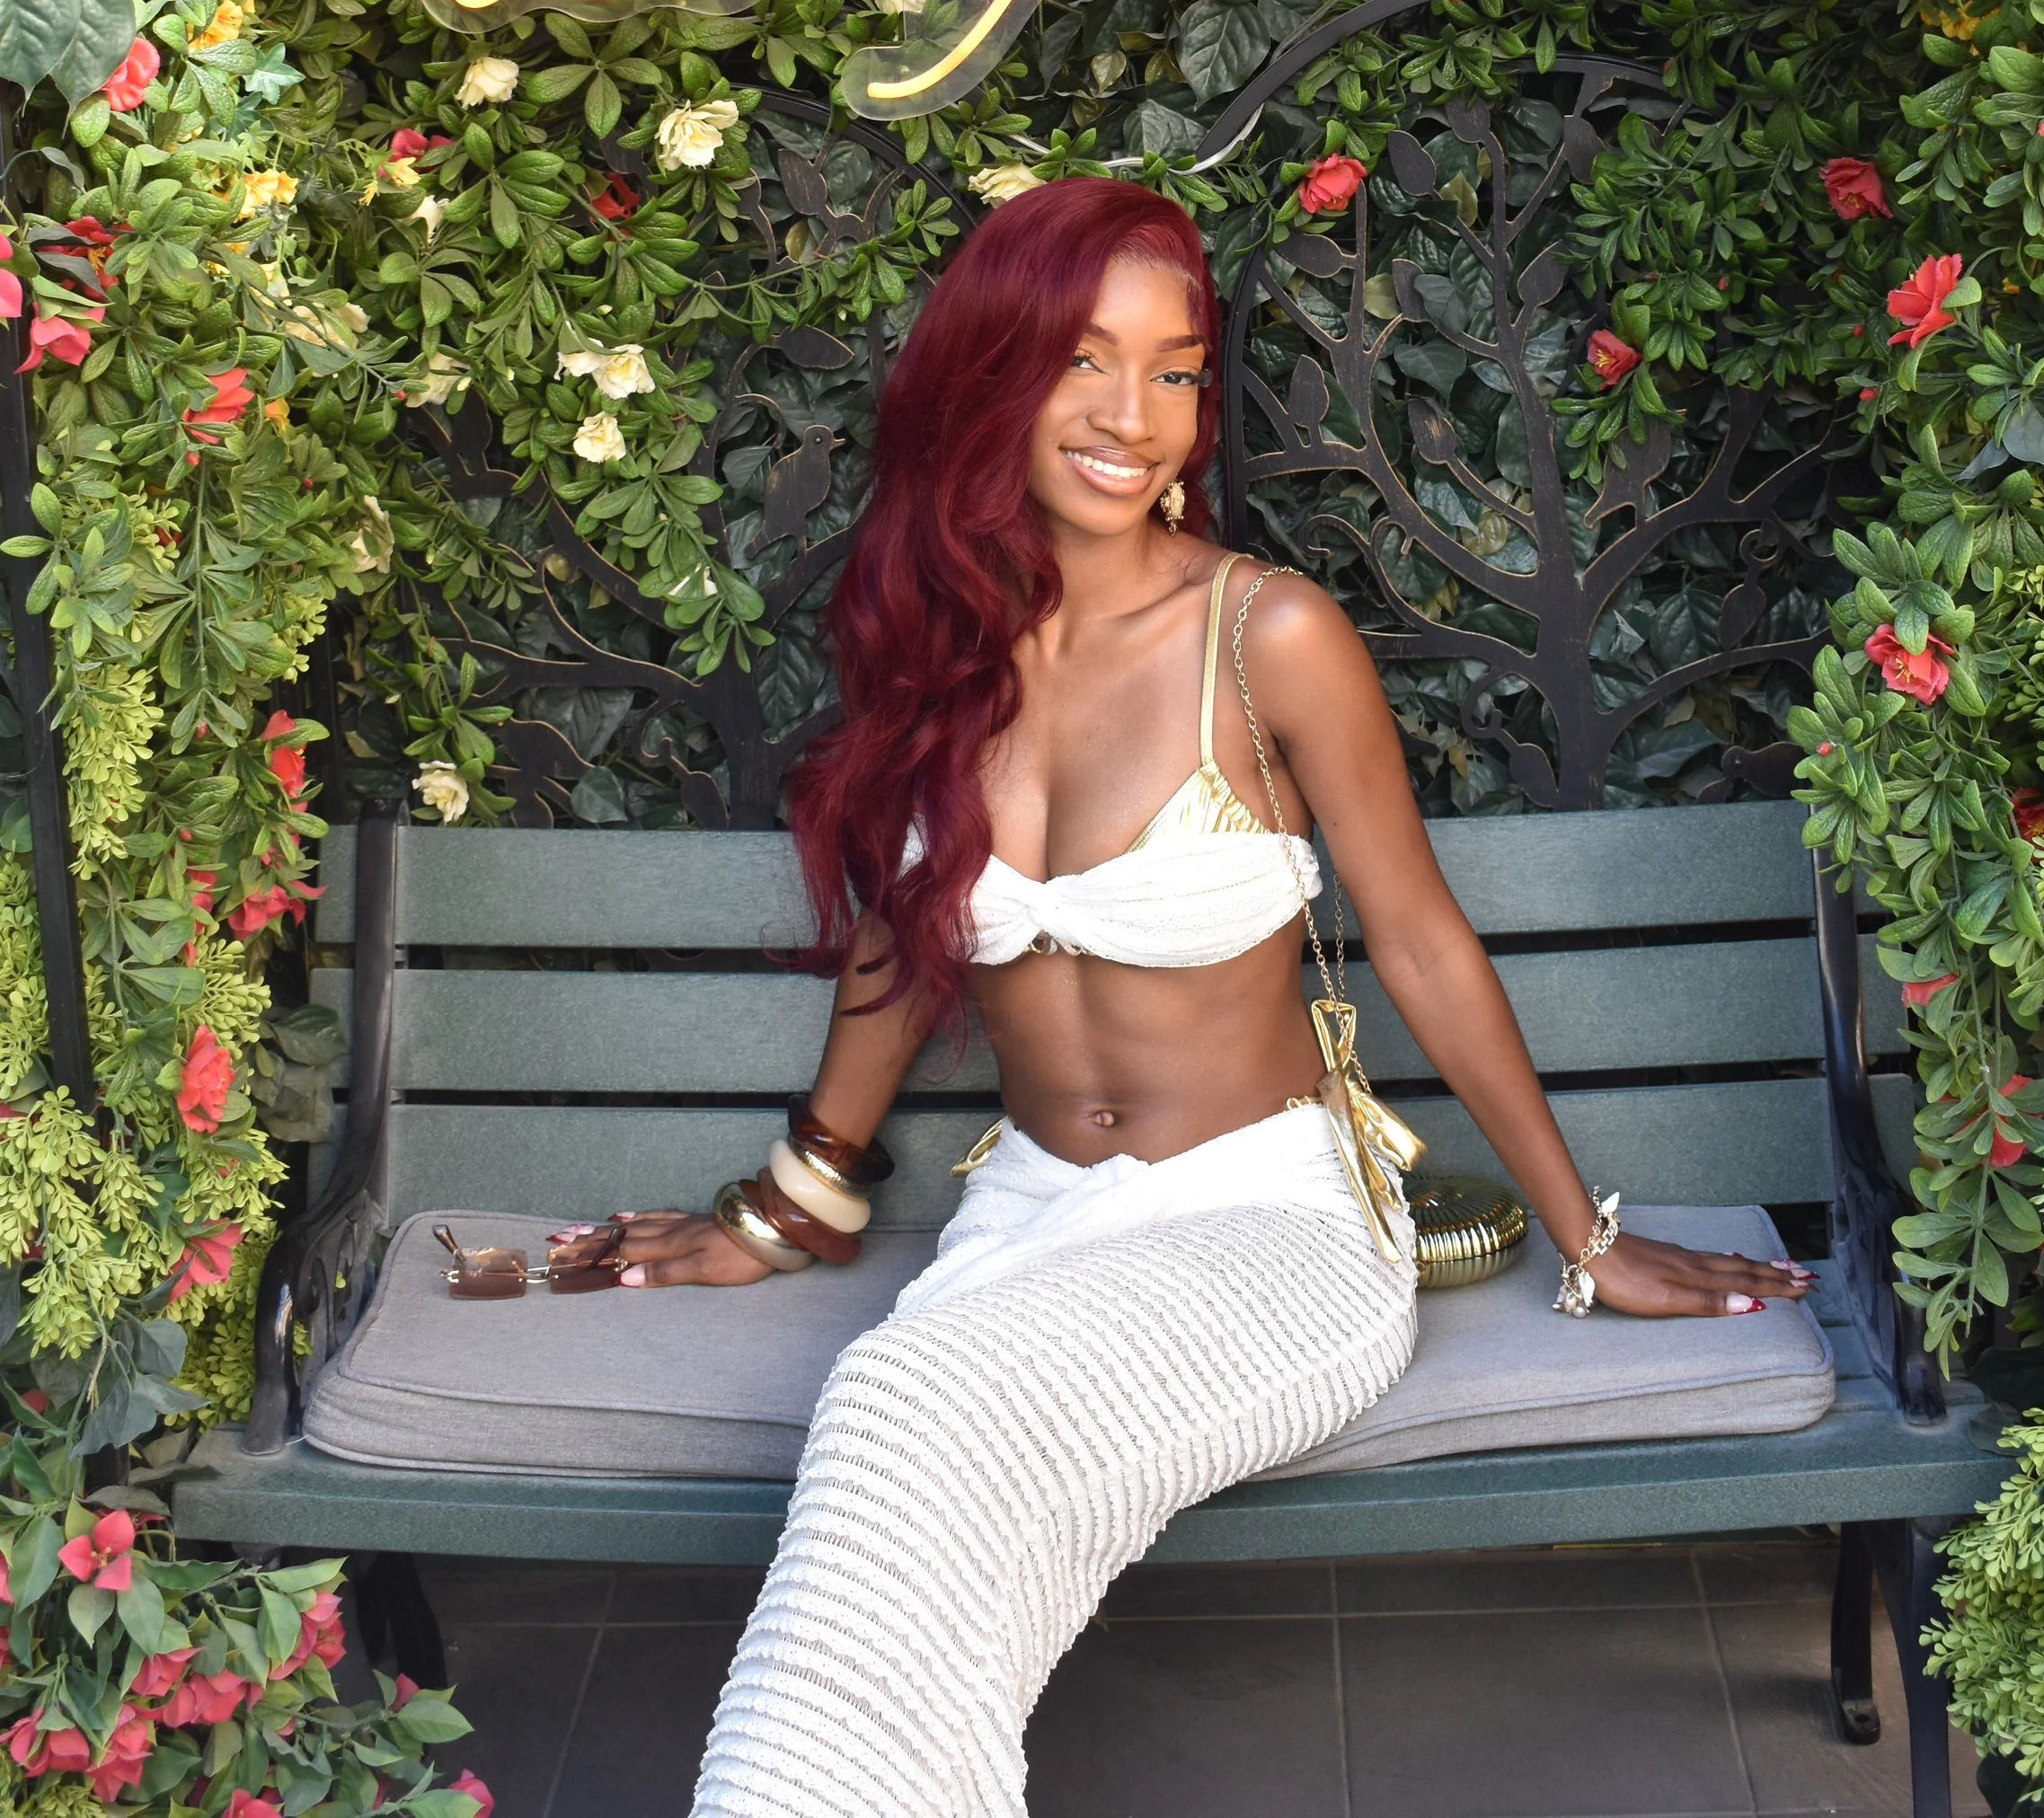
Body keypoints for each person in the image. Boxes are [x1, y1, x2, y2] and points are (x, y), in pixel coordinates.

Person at [614, 174, 1810, 1817]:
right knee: (904, 1497)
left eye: (1174, 370)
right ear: (992, 373)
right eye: (1086, 361)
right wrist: (785, 1204)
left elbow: (1420, 941)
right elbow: (903, 944)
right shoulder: (944, 645)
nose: (1136, 416)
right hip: (1034, 1221)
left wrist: (1587, 1237)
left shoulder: (1269, 635)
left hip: (1272, 1228)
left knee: (899, 1397)